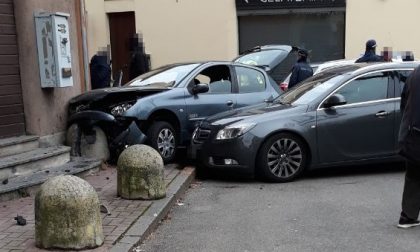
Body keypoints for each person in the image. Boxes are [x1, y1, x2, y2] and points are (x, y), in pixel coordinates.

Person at [397, 65, 420, 229]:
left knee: (413, 176)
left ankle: (407, 217)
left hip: (411, 134)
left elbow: (403, 103)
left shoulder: (414, 74)